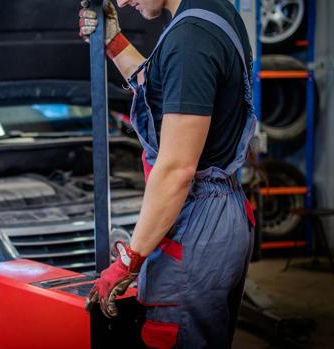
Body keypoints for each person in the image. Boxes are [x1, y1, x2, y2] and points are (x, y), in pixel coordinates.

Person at [80, 0, 256, 347]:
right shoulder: (211, 13)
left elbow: (177, 169)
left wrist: (128, 261)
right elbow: (166, 89)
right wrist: (113, 41)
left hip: (198, 224)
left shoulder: (190, 39)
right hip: (224, 211)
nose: (124, 1)